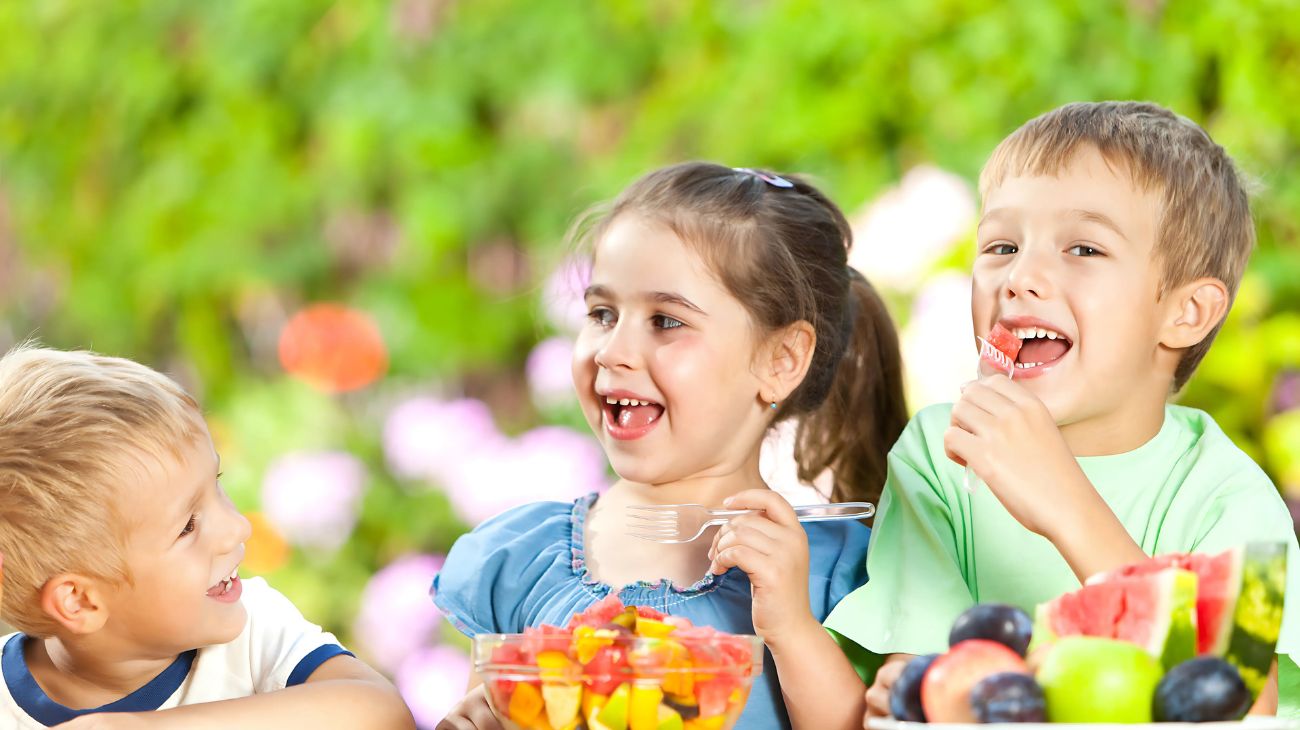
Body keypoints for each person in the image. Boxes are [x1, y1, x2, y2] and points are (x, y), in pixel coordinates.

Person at [816, 101, 1299, 724]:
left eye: (1083, 248)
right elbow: (922, 689)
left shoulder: (1233, 498)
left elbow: (1239, 708)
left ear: (1186, 313)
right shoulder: (940, 452)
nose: (1019, 277)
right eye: (1001, 245)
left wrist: (1064, 500)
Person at [432, 162, 908, 729]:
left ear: (781, 360)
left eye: (666, 321)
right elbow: (486, 709)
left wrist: (792, 627)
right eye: (602, 314)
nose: (612, 351)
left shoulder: (837, 575)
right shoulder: (519, 561)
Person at [0, 344, 416, 729]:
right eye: (187, 526)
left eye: (217, 483)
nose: (239, 527)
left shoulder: (255, 634)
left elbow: (382, 712)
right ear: (80, 600)